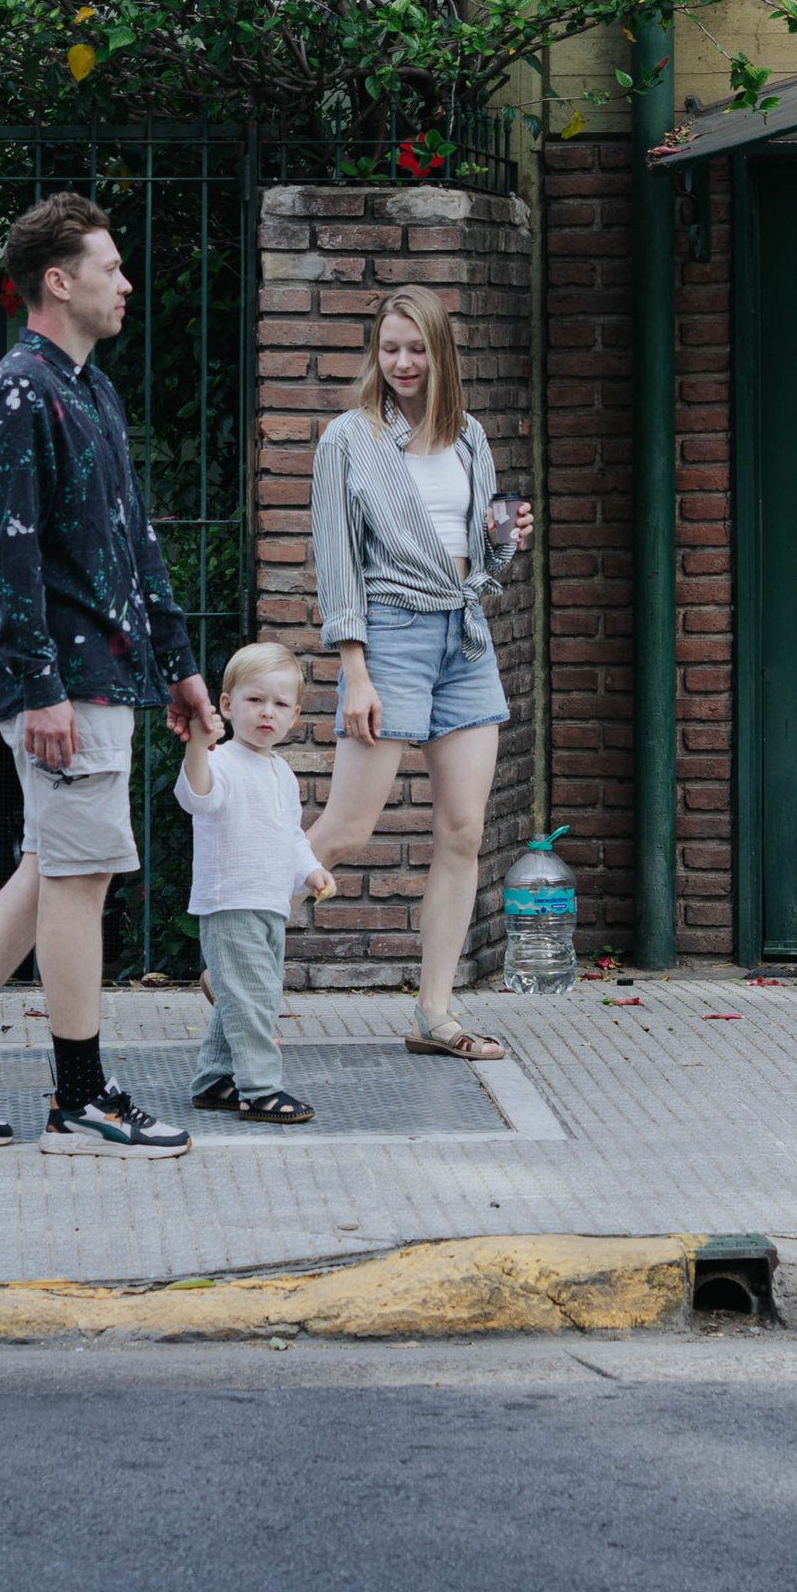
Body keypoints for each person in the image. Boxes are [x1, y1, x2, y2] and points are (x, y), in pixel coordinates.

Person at [0, 192, 217, 1155]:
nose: (127, 282)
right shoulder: (22, 390)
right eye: (111, 267)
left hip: (107, 674)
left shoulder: (88, 388)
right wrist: (39, 685)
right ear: (58, 282)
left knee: (46, 871)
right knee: (78, 880)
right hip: (67, 684)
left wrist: (181, 667)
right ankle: (83, 1099)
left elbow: (134, 544)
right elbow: (7, 556)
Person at [304, 285, 533, 1060]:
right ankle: (232, 951)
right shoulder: (347, 438)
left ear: (442, 352)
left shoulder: (469, 436)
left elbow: (482, 559)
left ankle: (435, 1014)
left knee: (463, 830)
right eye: (389, 347)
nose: (402, 362)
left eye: (416, 347)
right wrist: (355, 670)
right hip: (390, 635)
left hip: (464, 639)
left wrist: (507, 540)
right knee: (347, 827)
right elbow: (336, 563)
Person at [178, 641, 337, 1127]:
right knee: (255, 998)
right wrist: (196, 746)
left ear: (295, 715)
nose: (267, 712)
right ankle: (260, 1089)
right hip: (230, 903)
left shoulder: (282, 772)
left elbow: (290, 836)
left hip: (270, 906)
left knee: (242, 994)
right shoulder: (221, 762)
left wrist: (309, 869)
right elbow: (197, 797)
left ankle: (215, 1080)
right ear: (227, 705)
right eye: (254, 700)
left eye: (280, 704)